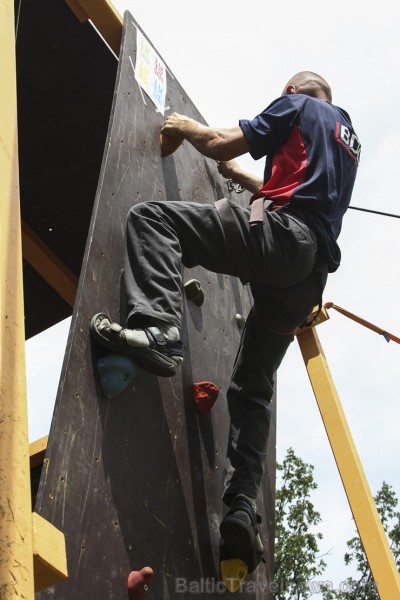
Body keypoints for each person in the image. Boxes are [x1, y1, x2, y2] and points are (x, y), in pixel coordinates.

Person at [90, 71, 360, 572]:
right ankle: (241, 509)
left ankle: (158, 330)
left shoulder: (296, 108)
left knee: (154, 220)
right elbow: (290, 185)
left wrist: (182, 125)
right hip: (307, 278)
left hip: (282, 239)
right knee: (253, 390)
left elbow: (217, 143)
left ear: (292, 92)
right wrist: (240, 176)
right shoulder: (347, 138)